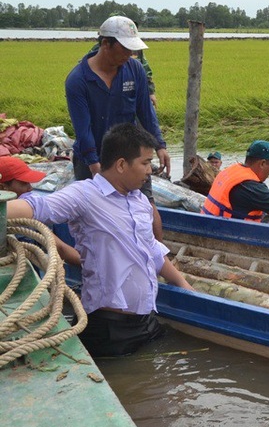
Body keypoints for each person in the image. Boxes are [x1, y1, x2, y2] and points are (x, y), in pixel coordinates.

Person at [6, 123, 193, 356]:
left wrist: (186, 287)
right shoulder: (85, 195)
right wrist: (4, 207)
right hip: (108, 327)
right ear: (122, 165)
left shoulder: (139, 200)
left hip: (147, 320)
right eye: (145, 162)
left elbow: (152, 250)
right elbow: (38, 206)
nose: (150, 170)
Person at [66, 15, 169, 240]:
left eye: (132, 51)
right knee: (94, 216)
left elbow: (146, 112)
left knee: (145, 205)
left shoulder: (134, 70)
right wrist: (96, 169)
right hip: (92, 157)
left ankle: (158, 262)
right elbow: (83, 130)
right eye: (124, 50)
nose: (129, 55)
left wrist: (160, 145)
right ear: (106, 44)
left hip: (130, 154)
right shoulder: (78, 80)